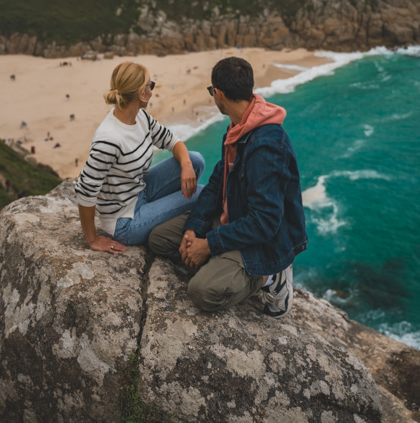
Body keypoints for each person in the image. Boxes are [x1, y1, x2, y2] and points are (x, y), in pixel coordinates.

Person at [148, 57, 307, 318]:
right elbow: (216, 183)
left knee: (202, 292)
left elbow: (265, 222)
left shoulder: (266, 146)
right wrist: (194, 228)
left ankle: (271, 278)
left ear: (218, 94)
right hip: (231, 220)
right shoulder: (237, 127)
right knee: (159, 240)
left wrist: (208, 244)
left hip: (261, 241)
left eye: (212, 91)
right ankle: (221, 261)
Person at [75, 62, 205, 255]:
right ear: (142, 93)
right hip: (124, 221)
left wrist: (186, 165)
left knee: (195, 160)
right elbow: (85, 190)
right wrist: (92, 239)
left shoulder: (141, 117)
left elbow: (172, 141)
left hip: (139, 192)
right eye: (150, 85)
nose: (152, 91)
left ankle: (176, 212)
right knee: (202, 193)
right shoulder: (110, 138)